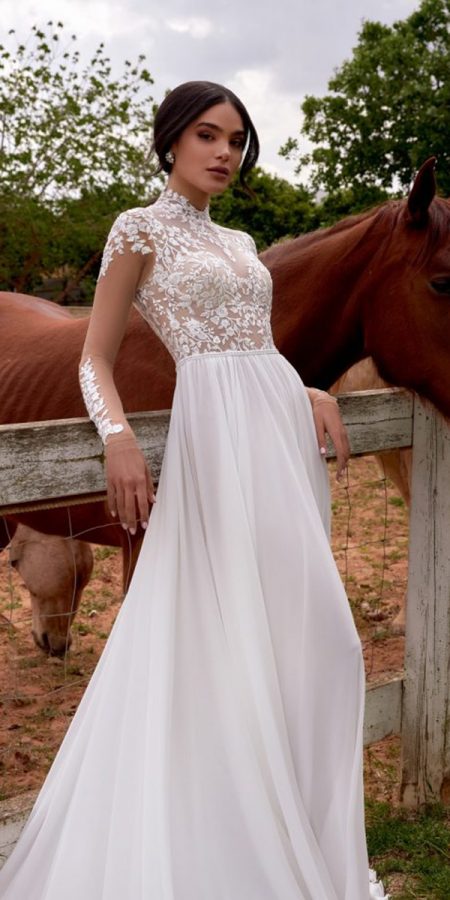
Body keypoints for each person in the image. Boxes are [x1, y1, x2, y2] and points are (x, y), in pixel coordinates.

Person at [0, 81, 389, 899]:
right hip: (208, 445)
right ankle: (218, 844)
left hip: (272, 443)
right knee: (217, 643)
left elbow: (255, 346)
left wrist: (307, 389)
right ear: (172, 141)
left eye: (237, 140)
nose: (224, 153)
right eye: (208, 135)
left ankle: (294, 830)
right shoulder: (136, 228)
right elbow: (93, 356)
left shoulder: (245, 242)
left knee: (323, 640)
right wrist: (117, 439)